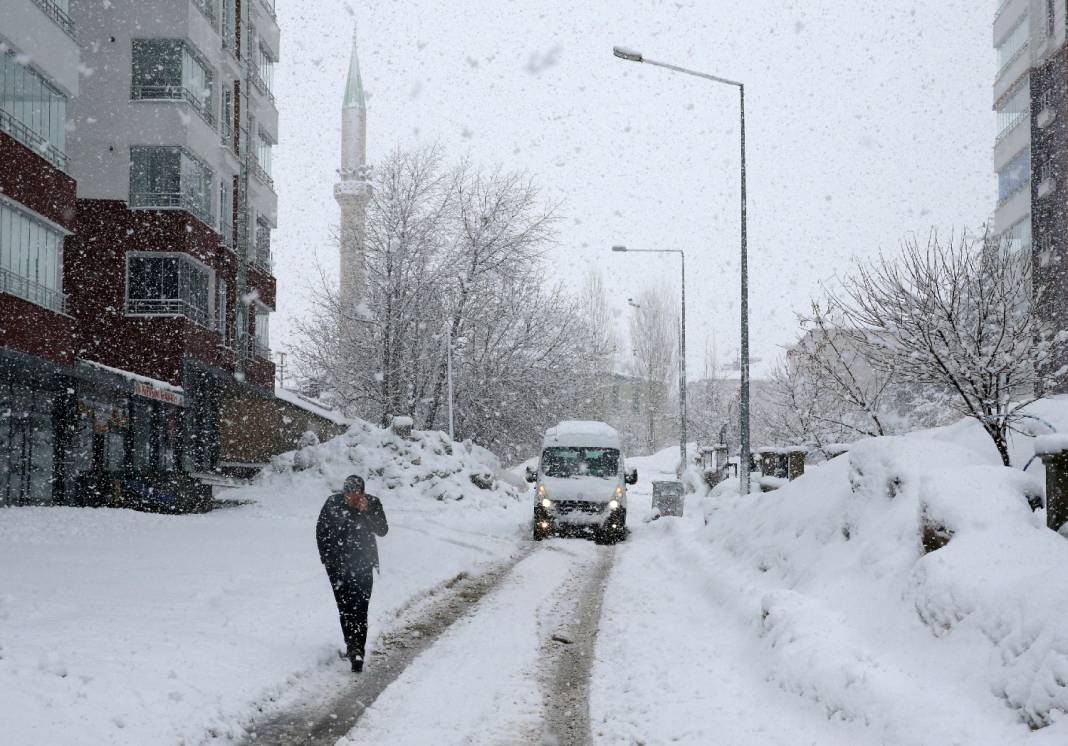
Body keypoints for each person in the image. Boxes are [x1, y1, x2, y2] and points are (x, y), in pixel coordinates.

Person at [316, 474, 389, 673]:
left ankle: (358, 649)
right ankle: (351, 645)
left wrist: (366, 511)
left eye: (356, 494)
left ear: (363, 492)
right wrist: (326, 558)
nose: (352, 498)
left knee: (360, 606)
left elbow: (382, 530)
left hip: (363, 564)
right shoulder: (332, 503)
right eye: (348, 494)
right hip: (337, 566)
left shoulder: (372, 503)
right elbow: (321, 530)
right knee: (345, 606)